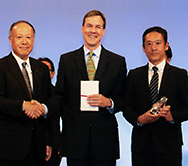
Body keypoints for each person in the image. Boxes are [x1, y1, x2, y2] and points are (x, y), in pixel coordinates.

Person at [45, 10, 127, 166]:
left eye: (98, 27)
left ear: (103, 31)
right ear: (82, 28)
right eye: (89, 26)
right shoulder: (67, 60)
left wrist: (109, 102)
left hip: (105, 141)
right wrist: (44, 107)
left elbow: (124, 99)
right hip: (75, 140)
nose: (93, 31)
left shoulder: (118, 62)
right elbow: (60, 96)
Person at [123, 26, 188, 166]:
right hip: (141, 147)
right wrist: (139, 119)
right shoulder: (134, 75)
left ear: (166, 46)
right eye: (148, 44)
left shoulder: (179, 75)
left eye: (158, 43)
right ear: (143, 48)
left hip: (169, 146)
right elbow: (127, 107)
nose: (153, 48)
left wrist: (172, 116)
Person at [0, 20, 53, 166]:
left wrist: (49, 141)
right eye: (19, 37)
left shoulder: (41, 69)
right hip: (7, 148)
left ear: (33, 40)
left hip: (37, 147)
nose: (25, 42)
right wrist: (23, 106)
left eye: (28, 37)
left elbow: (49, 102)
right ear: (10, 40)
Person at [38, 57, 62, 166]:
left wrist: (63, 143)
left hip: (54, 145)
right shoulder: (27, 93)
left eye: (47, 70)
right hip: (30, 145)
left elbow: (67, 119)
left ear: (52, 74)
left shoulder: (58, 95)